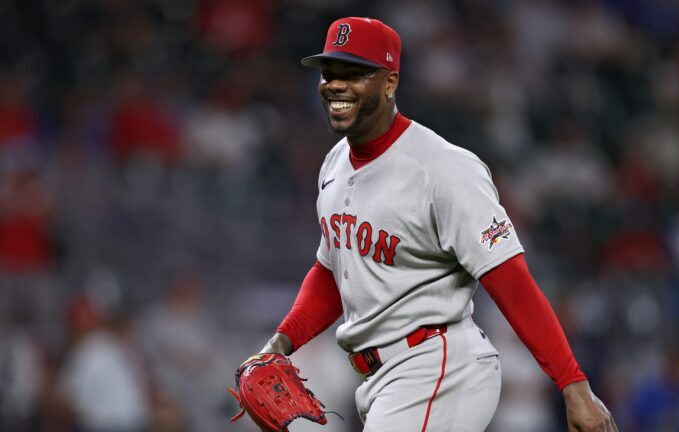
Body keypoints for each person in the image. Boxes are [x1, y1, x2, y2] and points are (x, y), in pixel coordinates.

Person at [240, 17, 618, 431]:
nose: (335, 84)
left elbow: (512, 283)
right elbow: (334, 271)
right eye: (330, 72)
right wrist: (281, 342)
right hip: (381, 380)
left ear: (390, 82)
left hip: (439, 369)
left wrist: (573, 384)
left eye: (354, 72)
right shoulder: (333, 164)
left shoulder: (443, 169)